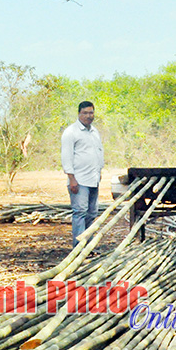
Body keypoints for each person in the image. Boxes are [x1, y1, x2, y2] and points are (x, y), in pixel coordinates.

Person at [61, 101, 105, 247]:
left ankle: (89, 246)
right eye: (85, 113)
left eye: (91, 113)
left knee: (91, 214)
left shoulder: (94, 131)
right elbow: (66, 156)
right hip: (79, 180)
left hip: (93, 179)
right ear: (79, 114)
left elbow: (98, 152)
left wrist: (99, 171)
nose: (88, 116)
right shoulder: (71, 132)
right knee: (80, 213)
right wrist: (72, 178)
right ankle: (78, 247)